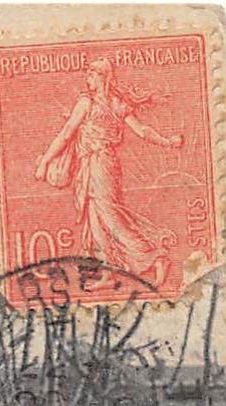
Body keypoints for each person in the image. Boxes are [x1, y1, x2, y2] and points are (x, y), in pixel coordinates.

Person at [33, 56, 184, 290]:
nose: (87, 79)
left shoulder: (93, 103)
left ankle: (155, 257)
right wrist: (167, 142)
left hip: (100, 165)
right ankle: (109, 273)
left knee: (110, 217)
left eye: (91, 74)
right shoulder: (109, 103)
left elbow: (66, 134)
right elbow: (141, 130)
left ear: (102, 76)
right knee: (96, 220)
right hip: (97, 164)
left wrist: (44, 162)